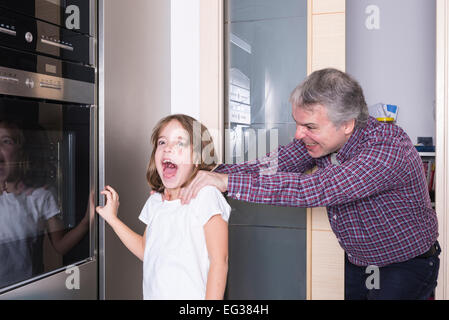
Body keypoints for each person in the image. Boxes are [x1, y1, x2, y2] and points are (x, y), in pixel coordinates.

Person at [179, 68, 440, 300]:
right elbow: (270, 166)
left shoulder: (387, 148)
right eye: (297, 124)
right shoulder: (321, 140)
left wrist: (227, 182)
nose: (298, 134)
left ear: (347, 124)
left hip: (405, 264)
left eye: (309, 126)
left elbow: (315, 189)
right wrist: (204, 176)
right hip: (359, 262)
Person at [96, 114, 230, 300]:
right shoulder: (155, 202)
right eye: (162, 142)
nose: (168, 148)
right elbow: (146, 250)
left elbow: (219, 262)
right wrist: (112, 219)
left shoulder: (206, 196)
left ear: (198, 157)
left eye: (180, 143)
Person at [0, 119, 90, 289]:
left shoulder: (41, 196)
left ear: (21, 153)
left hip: (28, 289)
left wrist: (87, 221)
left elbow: (61, 245)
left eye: (6, 141)